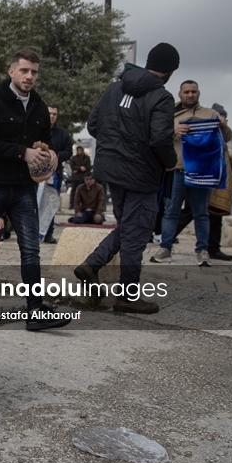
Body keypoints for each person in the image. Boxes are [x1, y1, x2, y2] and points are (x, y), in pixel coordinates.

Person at [74, 43, 180, 314]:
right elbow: (159, 139)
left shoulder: (113, 88)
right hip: (141, 175)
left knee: (128, 227)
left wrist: (116, 147)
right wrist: (170, 163)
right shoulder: (162, 97)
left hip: (111, 172)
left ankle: (91, 265)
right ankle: (127, 297)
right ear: (169, 71)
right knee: (136, 235)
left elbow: (93, 125)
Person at [0, 49, 67, 331]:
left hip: (25, 189)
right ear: (11, 71)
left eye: (34, 72)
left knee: (31, 250)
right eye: (24, 70)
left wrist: (50, 155)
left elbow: (44, 142)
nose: (29, 76)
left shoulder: (39, 106)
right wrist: (21, 153)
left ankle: (35, 311)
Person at [151, 81, 230, 267]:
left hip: (201, 171)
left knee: (201, 213)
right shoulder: (170, 115)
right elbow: (157, 136)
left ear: (198, 93)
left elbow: (225, 138)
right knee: (170, 212)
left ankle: (203, 250)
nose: (190, 95)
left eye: (193, 91)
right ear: (180, 94)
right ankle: (165, 248)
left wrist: (223, 126)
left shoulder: (210, 114)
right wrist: (173, 130)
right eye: (186, 92)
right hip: (176, 170)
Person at [173, 102, 232, 261]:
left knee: (213, 215)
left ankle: (212, 247)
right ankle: (165, 236)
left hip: (214, 178)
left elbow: (227, 137)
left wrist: (222, 126)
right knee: (193, 212)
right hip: (201, 176)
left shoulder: (221, 131)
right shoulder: (203, 130)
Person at [42, 105, 72, 244]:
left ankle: (48, 233)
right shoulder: (37, 130)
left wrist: (56, 156)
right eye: (49, 113)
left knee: (51, 204)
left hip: (54, 175)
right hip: (36, 175)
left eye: (54, 114)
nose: (52, 116)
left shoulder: (62, 134)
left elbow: (68, 152)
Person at [69, 145, 92, 209]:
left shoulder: (86, 158)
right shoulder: (74, 158)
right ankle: (72, 205)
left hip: (83, 177)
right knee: (74, 191)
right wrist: (79, 168)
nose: (79, 152)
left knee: (84, 191)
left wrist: (80, 169)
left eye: (80, 150)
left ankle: (84, 204)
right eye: (78, 150)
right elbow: (72, 166)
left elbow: (88, 167)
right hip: (75, 177)